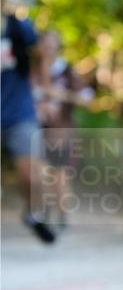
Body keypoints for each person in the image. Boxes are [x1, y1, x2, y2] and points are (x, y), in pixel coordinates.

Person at [0, 0, 56, 243]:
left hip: (18, 111)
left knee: (30, 173)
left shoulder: (20, 28)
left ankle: (34, 214)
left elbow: (42, 56)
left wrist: (46, 95)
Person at [32, 29, 95, 229]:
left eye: (53, 43)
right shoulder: (31, 71)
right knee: (40, 172)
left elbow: (86, 97)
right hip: (35, 129)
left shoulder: (65, 70)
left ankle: (61, 214)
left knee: (59, 173)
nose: (49, 48)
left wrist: (61, 95)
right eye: (46, 44)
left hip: (61, 129)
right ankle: (44, 210)